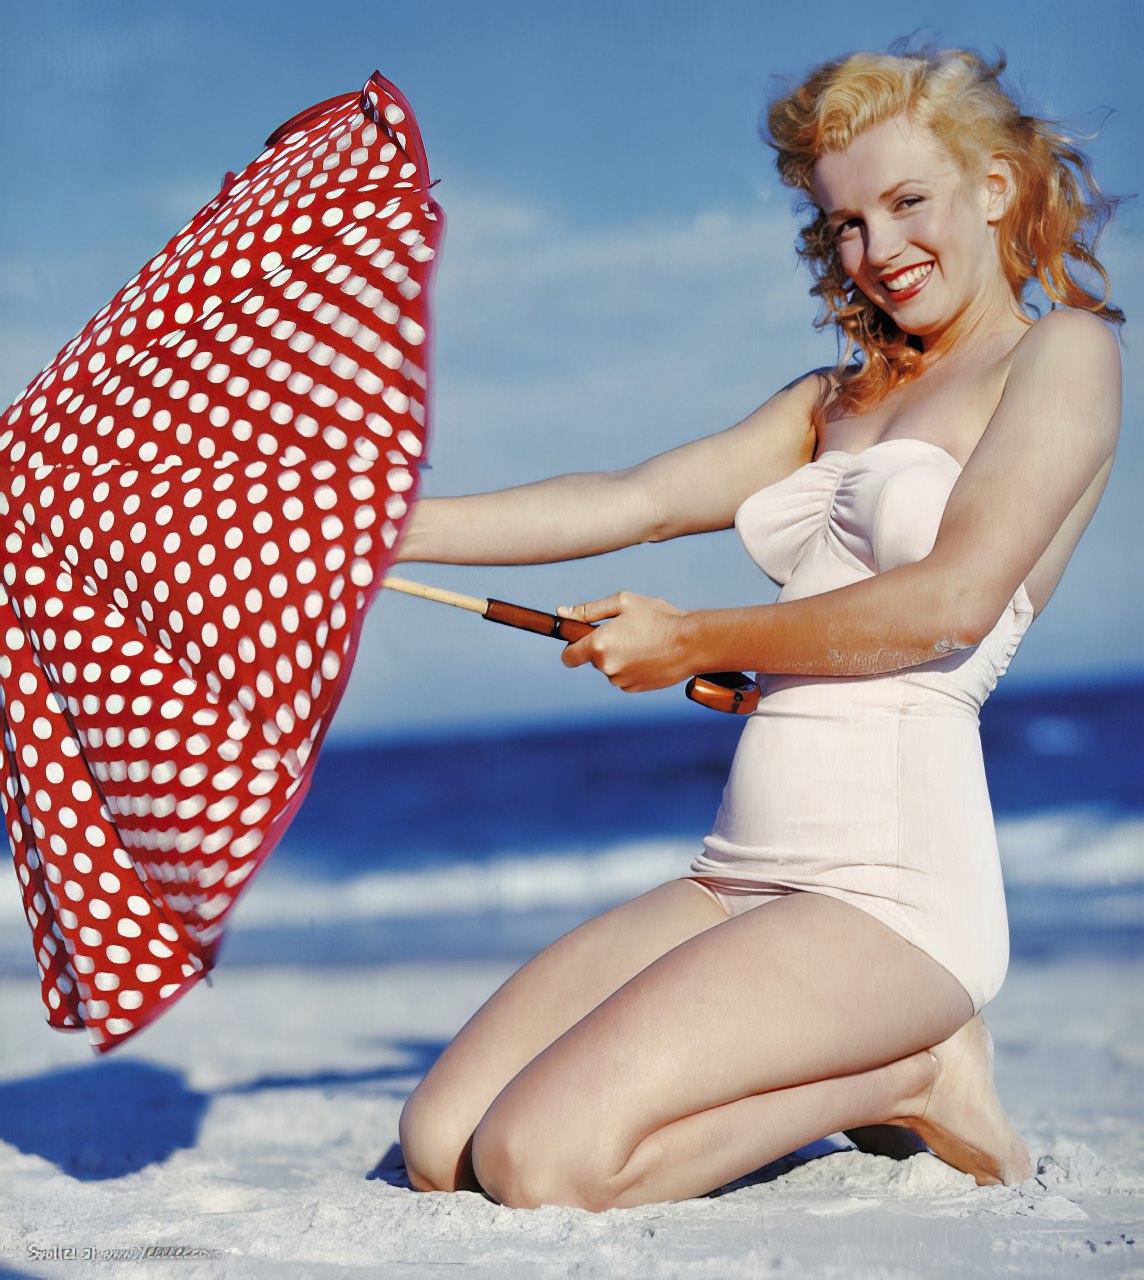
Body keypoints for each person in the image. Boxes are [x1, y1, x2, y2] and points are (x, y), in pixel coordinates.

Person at [394, 46, 1124, 1211]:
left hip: (892, 891)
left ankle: (916, 1065)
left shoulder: (1061, 357)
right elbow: (625, 499)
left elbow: (953, 600)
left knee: (542, 1161)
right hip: (740, 872)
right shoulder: (832, 399)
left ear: (993, 187)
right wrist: (364, 527)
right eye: (843, 223)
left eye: (904, 203)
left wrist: (688, 641)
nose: (876, 250)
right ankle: (879, 1067)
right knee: (440, 1141)